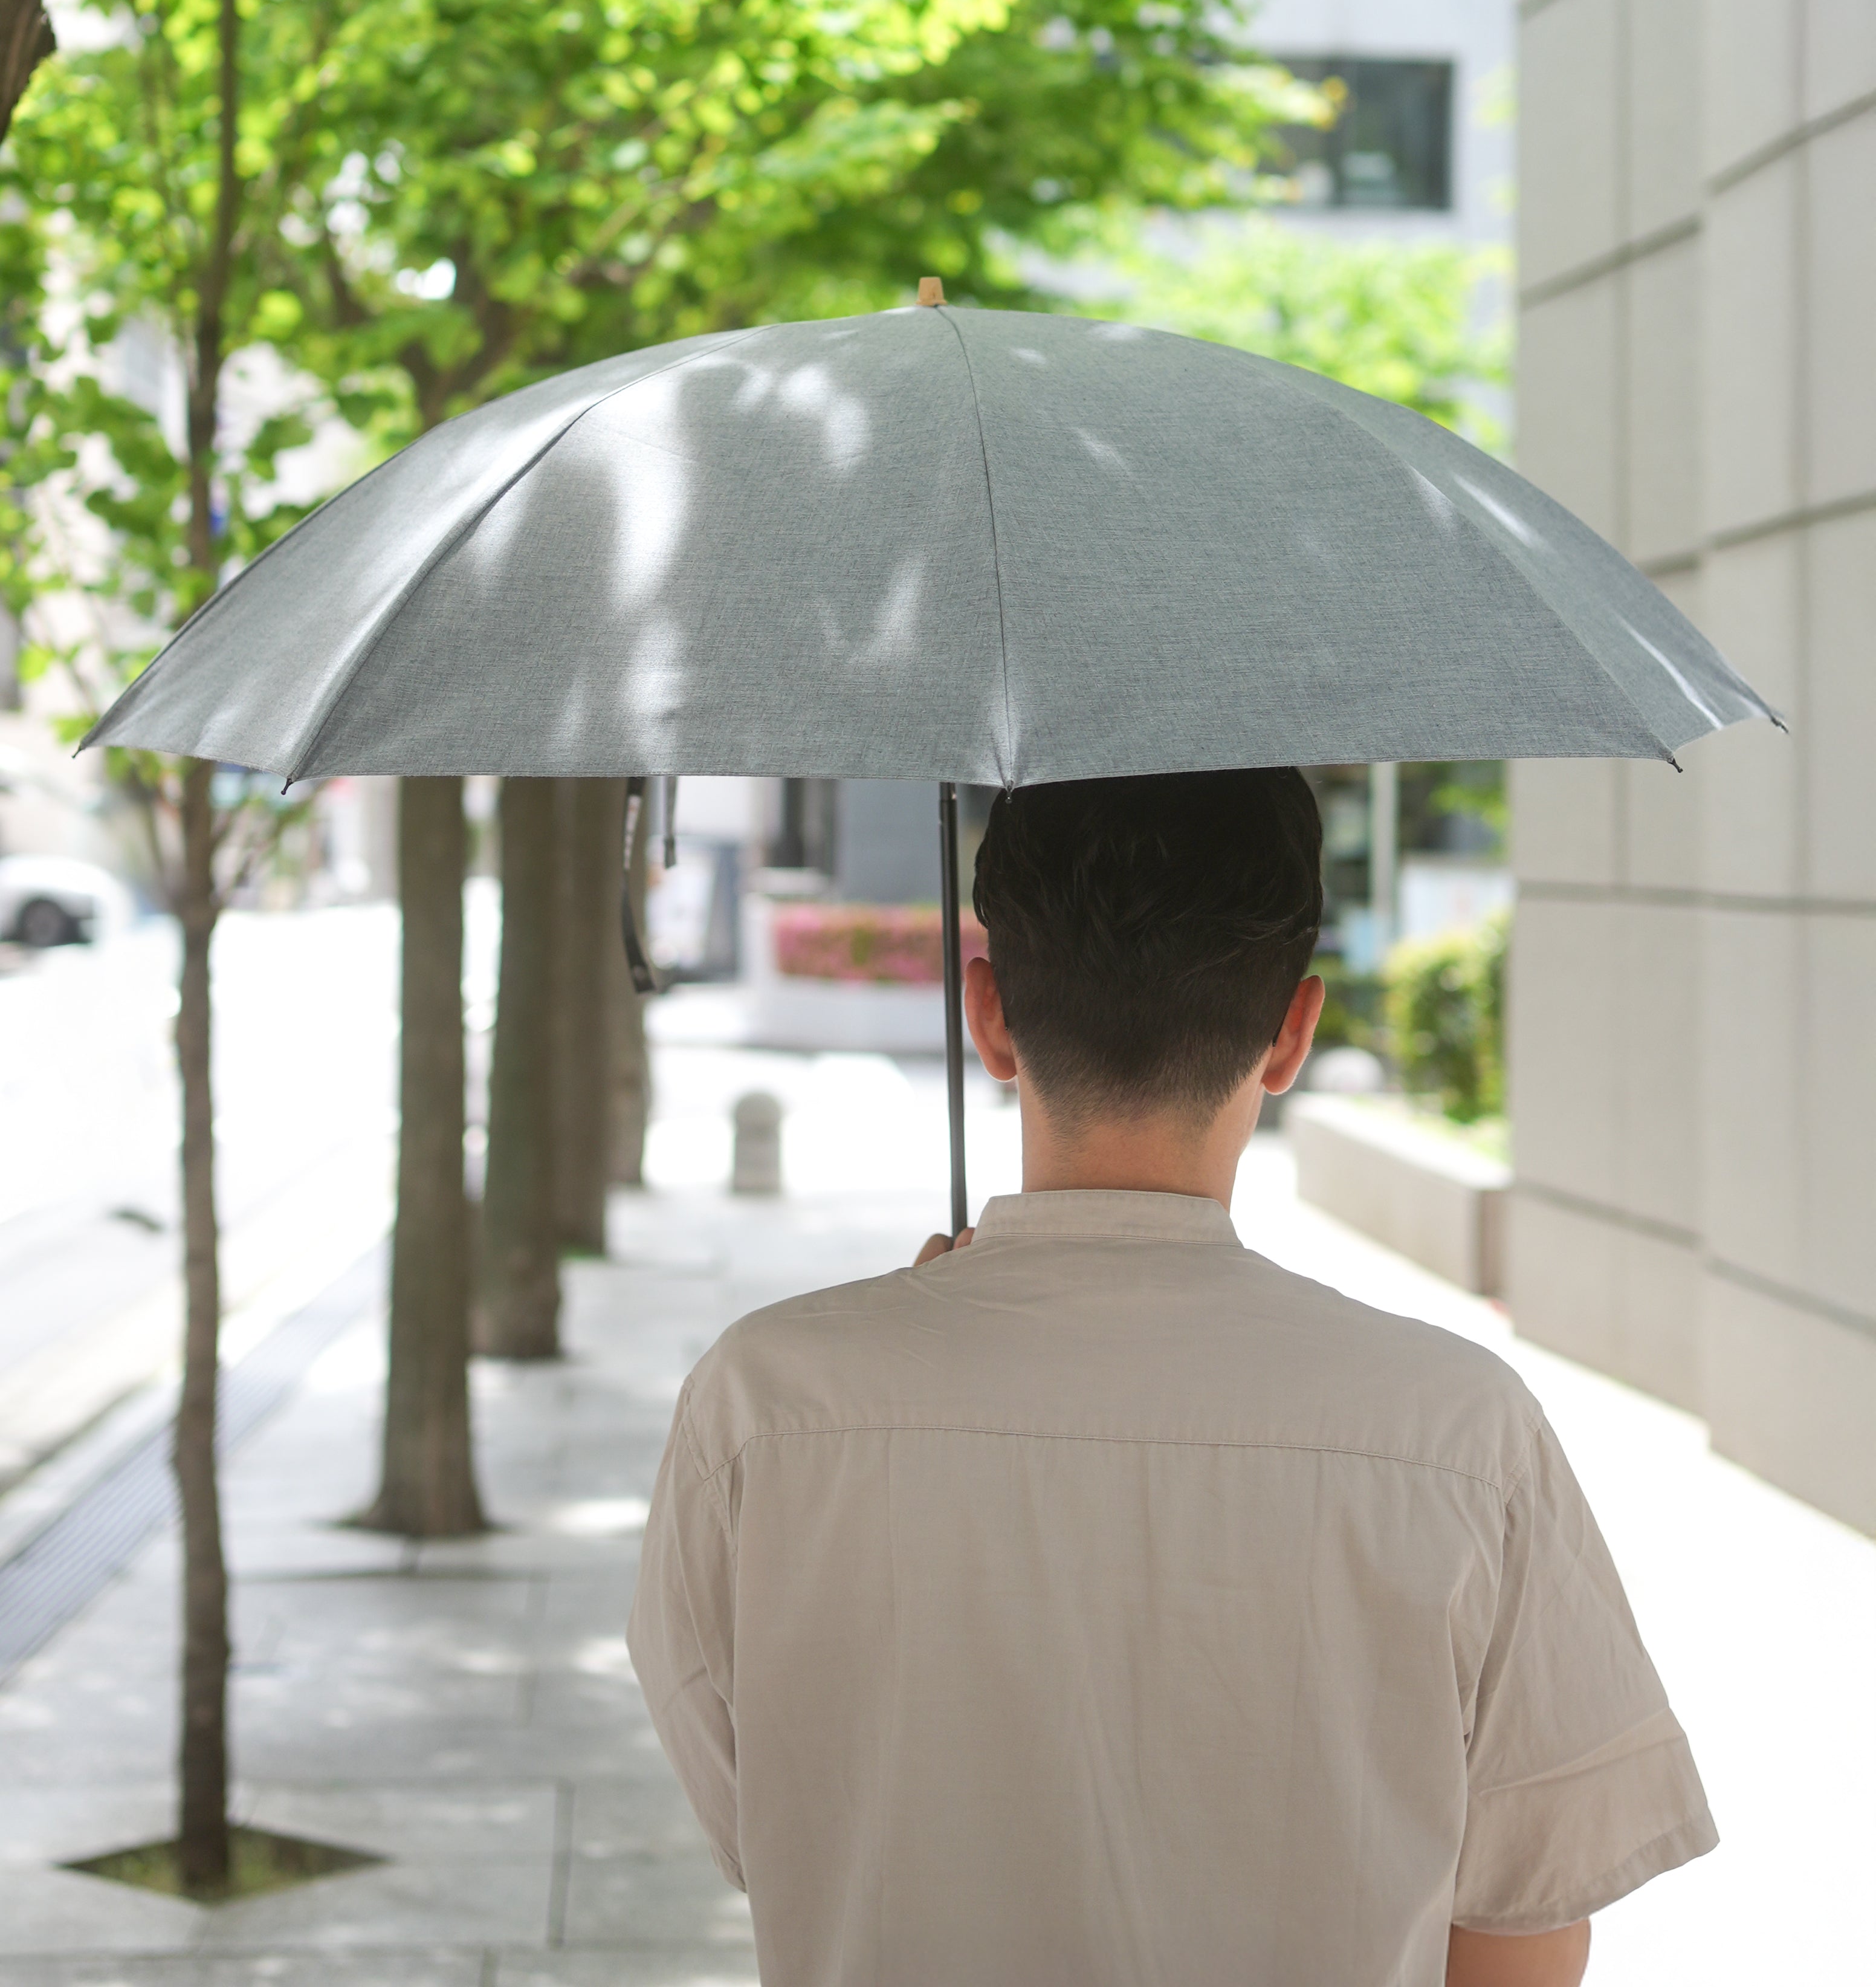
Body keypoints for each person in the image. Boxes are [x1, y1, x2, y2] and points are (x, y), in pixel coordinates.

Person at [628, 770, 1716, 1986]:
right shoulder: (1461, 1432)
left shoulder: (763, 1409)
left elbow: (766, 1827)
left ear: (986, 1014)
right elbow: (1527, 1920)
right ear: (1294, 1030)